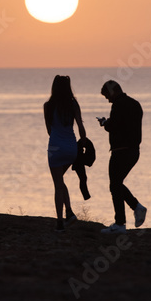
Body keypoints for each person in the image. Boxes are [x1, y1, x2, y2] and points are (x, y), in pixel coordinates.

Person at [98, 80, 146, 234]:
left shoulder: (118, 105)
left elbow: (115, 126)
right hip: (134, 151)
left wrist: (105, 123)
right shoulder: (135, 104)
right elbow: (126, 124)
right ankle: (133, 210)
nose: (108, 100)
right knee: (116, 184)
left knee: (115, 184)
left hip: (121, 150)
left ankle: (122, 221)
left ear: (113, 92)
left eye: (107, 96)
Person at [44, 75, 86, 231]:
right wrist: (83, 141)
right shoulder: (73, 104)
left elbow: (49, 131)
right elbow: (80, 126)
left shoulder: (47, 106)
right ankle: (69, 213)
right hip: (71, 148)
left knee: (57, 184)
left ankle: (60, 222)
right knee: (60, 181)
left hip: (55, 147)